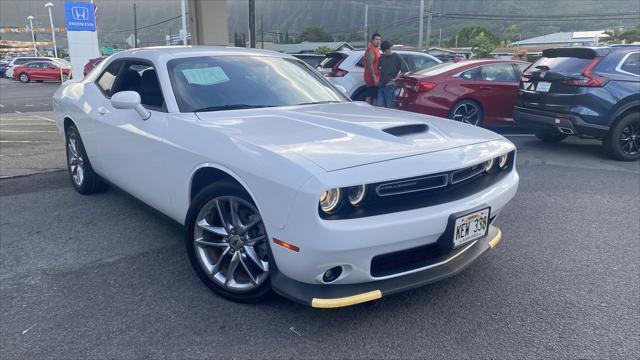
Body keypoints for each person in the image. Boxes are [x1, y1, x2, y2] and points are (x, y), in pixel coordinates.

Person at [376, 40, 408, 109]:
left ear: (389, 49)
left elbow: (405, 70)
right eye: (383, 51)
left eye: (386, 51)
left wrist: (396, 78)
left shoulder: (397, 57)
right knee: (380, 107)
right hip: (381, 85)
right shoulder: (381, 57)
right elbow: (378, 69)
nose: (384, 53)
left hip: (390, 85)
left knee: (389, 107)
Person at [363, 33, 382, 105]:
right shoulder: (371, 50)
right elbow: (369, 65)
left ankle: (373, 112)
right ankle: (368, 112)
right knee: (370, 96)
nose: (378, 41)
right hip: (372, 77)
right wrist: (374, 78)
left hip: (376, 76)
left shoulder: (376, 49)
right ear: (372, 40)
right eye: (376, 39)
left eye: (379, 40)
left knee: (374, 96)